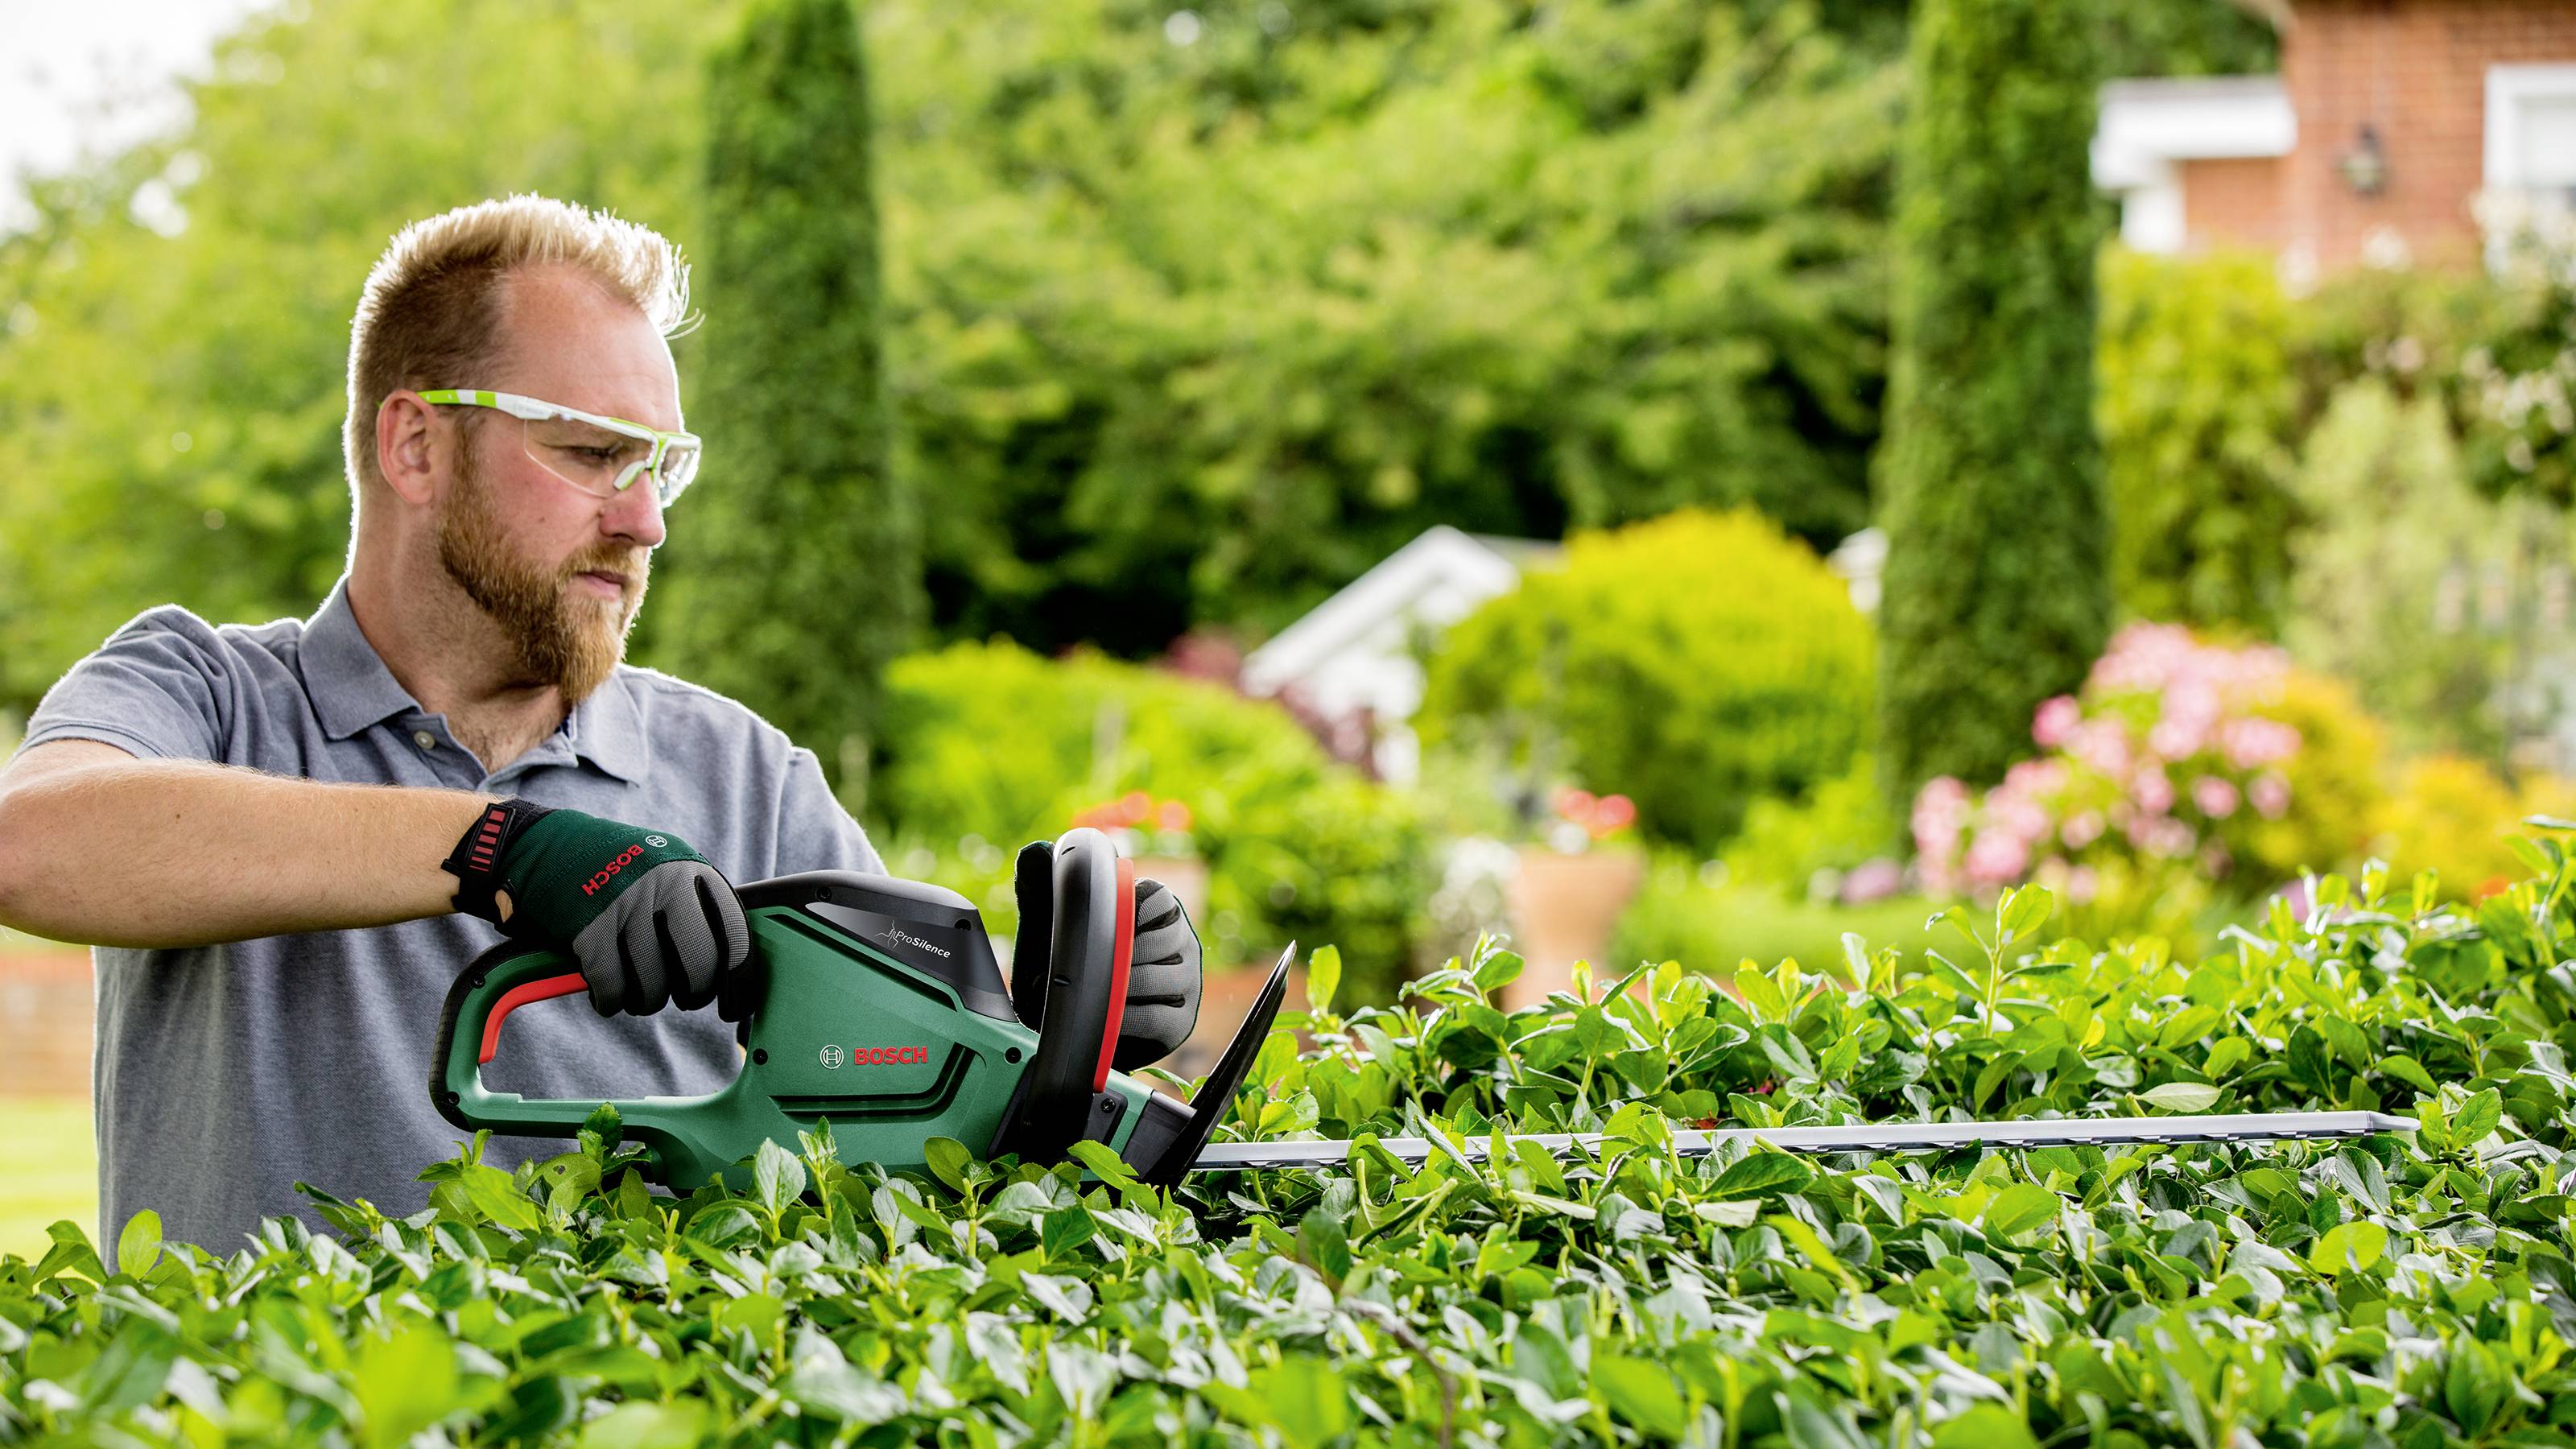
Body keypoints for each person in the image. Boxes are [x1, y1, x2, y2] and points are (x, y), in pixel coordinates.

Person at [0, 195, 1197, 1256]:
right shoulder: (208, 694)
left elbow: (913, 1125)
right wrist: (500, 850)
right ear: (416, 444)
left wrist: (1064, 1044)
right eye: (591, 455)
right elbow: (36, 845)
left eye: (660, 468)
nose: (644, 524)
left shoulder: (743, 778)